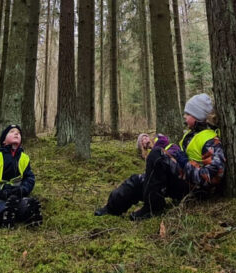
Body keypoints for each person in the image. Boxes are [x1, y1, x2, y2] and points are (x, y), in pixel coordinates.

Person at [95, 93, 225, 221]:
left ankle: (153, 207)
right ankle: (111, 208)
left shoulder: (211, 141)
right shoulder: (190, 135)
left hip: (194, 190)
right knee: (138, 180)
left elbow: (211, 177)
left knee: (157, 155)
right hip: (182, 181)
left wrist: (184, 162)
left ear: (198, 116)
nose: (184, 117)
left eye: (188, 114)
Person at [0, 123, 42, 227]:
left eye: (18, 133)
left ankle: (30, 213)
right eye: (12, 132)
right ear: (3, 140)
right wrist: (0, 192)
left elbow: (30, 178)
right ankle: (4, 216)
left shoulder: (24, 158)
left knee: (24, 203)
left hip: (17, 195)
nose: (16, 133)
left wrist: (23, 189)